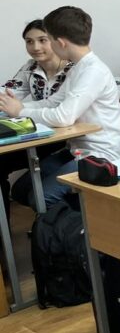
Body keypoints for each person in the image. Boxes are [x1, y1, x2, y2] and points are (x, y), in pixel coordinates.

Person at [0, 7, 120, 208]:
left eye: (47, 39)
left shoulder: (93, 71)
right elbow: (52, 102)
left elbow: (63, 117)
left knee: (40, 198)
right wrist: (15, 107)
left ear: (60, 42)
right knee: (21, 191)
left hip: (100, 155)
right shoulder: (79, 67)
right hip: (76, 149)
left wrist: (20, 111)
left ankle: (73, 223)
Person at [1, 20, 75, 208]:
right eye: (29, 41)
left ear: (56, 41)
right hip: (38, 132)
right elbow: (7, 93)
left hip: (64, 136)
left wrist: (19, 108)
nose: (35, 47)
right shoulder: (30, 67)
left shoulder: (74, 69)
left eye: (43, 40)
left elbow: (60, 109)